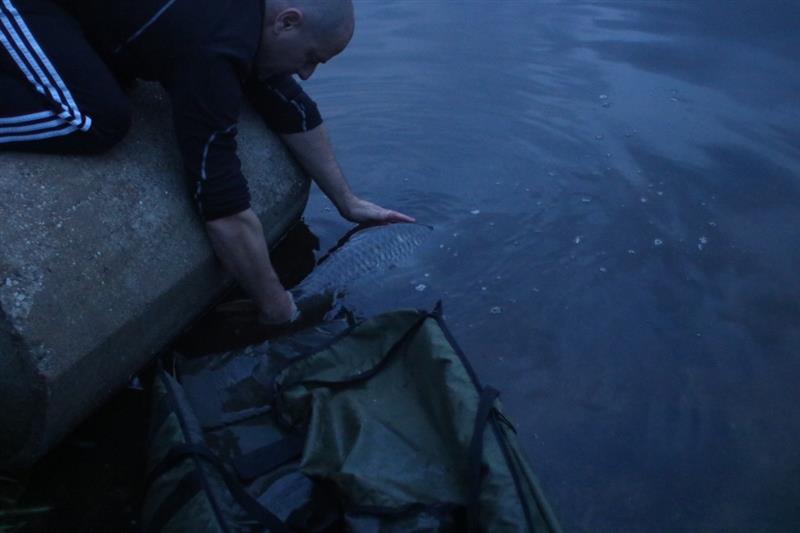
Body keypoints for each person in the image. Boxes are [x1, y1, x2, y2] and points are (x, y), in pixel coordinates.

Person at [0, 0, 414, 324]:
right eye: (311, 57)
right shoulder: (212, 47)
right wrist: (276, 306)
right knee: (91, 119)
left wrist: (347, 201)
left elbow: (288, 102)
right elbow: (222, 205)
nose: (307, 73)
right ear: (287, 22)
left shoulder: (246, 18)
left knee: (118, 79)